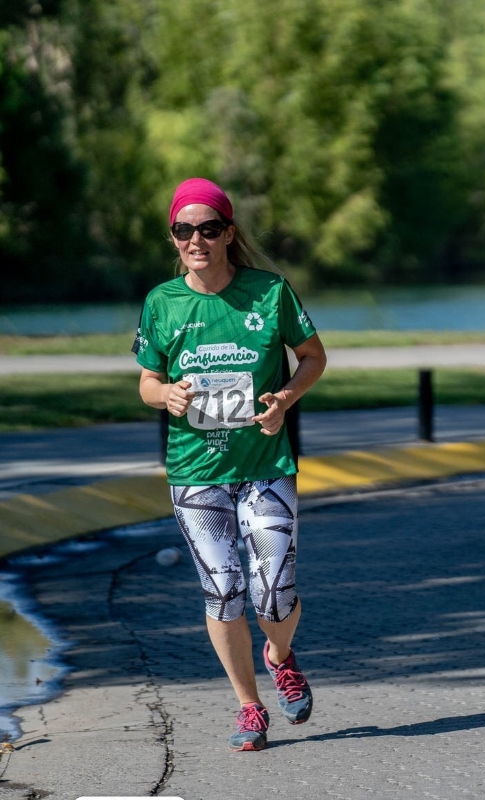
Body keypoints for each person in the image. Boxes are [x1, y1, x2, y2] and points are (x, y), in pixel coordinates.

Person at [133, 178, 327, 751]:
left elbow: (313, 358)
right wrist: (164, 396)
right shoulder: (162, 303)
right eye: (184, 229)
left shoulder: (270, 293)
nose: (197, 239)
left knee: (274, 591)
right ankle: (249, 705)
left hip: (265, 464)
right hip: (195, 473)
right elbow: (147, 379)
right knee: (224, 590)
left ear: (228, 233)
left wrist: (284, 400)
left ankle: (280, 654)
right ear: (174, 237)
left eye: (209, 228)